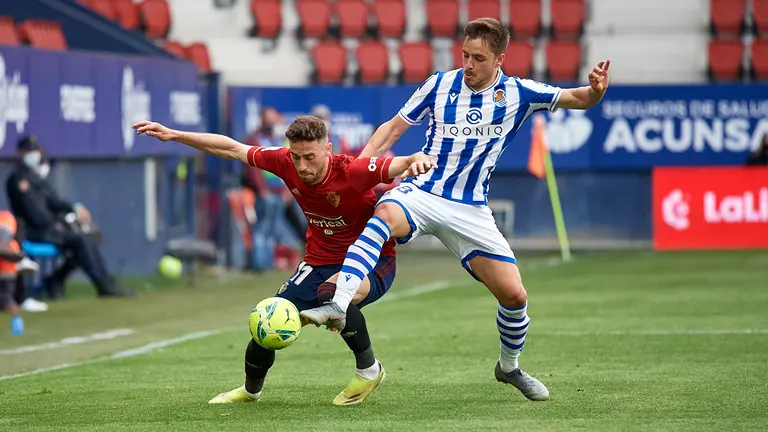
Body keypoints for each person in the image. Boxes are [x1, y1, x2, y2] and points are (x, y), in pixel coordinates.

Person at [300, 17, 612, 402]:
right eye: (465, 55)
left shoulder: (519, 93)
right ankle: (339, 302)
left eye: (478, 58)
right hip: (423, 191)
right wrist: (360, 168)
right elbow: (393, 128)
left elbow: (578, 99)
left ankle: (509, 368)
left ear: (499, 59)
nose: (468, 64)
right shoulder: (439, 84)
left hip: (470, 208)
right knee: (385, 213)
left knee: (515, 296)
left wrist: (595, 90)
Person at [133, 116, 434, 406]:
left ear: (328, 149)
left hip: (373, 262)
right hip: (318, 263)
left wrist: (416, 159)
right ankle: (250, 391)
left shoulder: (352, 170)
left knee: (332, 293)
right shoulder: (284, 161)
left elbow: (401, 162)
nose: (302, 166)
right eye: (296, 157)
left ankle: (369, 371)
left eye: (310, 157)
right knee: (267, 320)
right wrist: (176, 135)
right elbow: (233, 148)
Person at [5, 135, 134, 299]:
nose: (33, 154)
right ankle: (104, 285)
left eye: (34, 150)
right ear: (19, 153)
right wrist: (57, 223)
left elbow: (54, 201)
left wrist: (74, 208)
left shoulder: (36, 178)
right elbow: (34, 213)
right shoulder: (18, 179)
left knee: (89, 238)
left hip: (50, 230)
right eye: (28, 151)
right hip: (33, 232)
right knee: (80, 241)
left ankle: (57, 280)